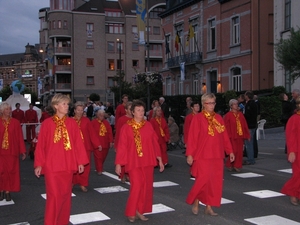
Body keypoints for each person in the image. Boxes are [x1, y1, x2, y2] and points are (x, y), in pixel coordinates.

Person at [34, 94, 89, 225]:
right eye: (64, 104)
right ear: (56, 106)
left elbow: (78, 144)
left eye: (67, 104)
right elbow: (41, 146)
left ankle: (62, 222)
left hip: (68, 165)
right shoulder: (47, 124)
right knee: (54, 196)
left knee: (65, 196)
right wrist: (39, 164)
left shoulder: (72, 123)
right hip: (52, 166)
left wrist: (80, 161)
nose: (67, 106)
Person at [115, 100, 164, 223]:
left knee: (146, 187)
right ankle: (131, 211)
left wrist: (160, 159)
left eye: (142, 110)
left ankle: (140, 210)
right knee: (136, 186)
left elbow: (154, 142)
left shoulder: (148, 125)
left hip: (147, 161)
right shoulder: (127, 127)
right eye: (138, 110)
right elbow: (122, 146)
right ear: (132, 112)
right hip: (133, 161)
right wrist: (119, 164)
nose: (141, 112)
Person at [186, 93, 234, 216]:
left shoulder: (218, 118)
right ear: (203, 104)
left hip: (217, 154)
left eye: (213, 102)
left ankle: (209, 206)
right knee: (202, 180)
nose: (212, 105)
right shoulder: (198, 118)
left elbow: (224, 136)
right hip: (202, 154)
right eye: (209, 103)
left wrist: (230, 151)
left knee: (214, 182)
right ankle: (195, 201)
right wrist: (190, 154)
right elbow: (192, 138)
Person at [72, 101, 101, 192]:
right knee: (73, 166)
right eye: (78, 110)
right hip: (73, 148)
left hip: (86, 147)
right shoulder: (70, 121)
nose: (80, 112)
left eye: (81, 110)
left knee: (86, 167)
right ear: (74, 111)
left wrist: (97, 144)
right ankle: (72, 182)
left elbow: (92, 134)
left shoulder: (87, 121)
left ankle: (83, 183)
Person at [0, 102, 26, 202]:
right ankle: (1, 190)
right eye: (7, 109)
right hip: (1, 152)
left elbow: (19, 138)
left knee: (10, 172)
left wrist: (23, 151)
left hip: (12, 152)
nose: (9, 111)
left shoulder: (15, 122)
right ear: (2, 111)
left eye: (10, 109)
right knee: (1, 171)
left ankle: (7, 191)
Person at [281, 96, 300, 206]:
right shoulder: (294, 119)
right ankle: (292, 192)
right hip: (297, 151)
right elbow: (290, 136)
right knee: (298, 175)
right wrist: (291, 151)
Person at [224, 99, 250, 172]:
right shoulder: (228, 115)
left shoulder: (240, 114)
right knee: (233, 151)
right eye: (234, 104)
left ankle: (237, 165)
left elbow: (244, 125)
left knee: (239, 151)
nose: (236, 105)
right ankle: (230, 164)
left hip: (240, 135)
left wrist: (247, 135)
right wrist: (228, 136)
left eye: (236, 104)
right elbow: (226, 126)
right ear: (231, 106)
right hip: (232, 136)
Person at [114, 101, 133, 183]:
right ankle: (122, 175)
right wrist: (116, 145)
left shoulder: (135, 119)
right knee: (123, 159)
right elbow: (118, 133)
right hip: (124, 143)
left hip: (132, 143)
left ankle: (129, 174)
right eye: (129, 109)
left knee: (131, 160)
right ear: (126, 110)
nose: (131, 110)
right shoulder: (122, 119)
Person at [91, 110, 113, 175]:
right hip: (97, 144)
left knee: (103, 156)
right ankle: (99, 169)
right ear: (97, 115)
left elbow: (109, 132)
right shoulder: (93, 123)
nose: (101, 116)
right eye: (100, 114)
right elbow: (92, 134)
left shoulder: (106, 123)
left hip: (105, 143)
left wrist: (111, 141)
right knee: (98, 157)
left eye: (102, 114)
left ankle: (100, 167)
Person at [243, 91, 258, 165]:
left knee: (248, 143)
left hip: (249, 125)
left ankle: (250, 159)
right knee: (251, 142)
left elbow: (247, 115)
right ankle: (251, 157)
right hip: (253, 125)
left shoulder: (249, 104)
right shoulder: (255, 103)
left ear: (247, 96)